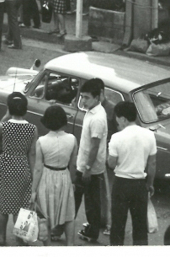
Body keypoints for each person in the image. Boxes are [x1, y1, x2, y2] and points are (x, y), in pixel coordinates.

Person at [0, 92, 38, 246]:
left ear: (9, 109)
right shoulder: (32, 128)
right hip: (23, 166)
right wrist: (32, 175)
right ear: (25, 109)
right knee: (22, 205)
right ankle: (20, 237)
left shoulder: (3, 126)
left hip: (5, 165)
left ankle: (2, 237)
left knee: (3, 205)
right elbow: (32, 153)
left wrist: (5, 116)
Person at [106, 100, 157, 246]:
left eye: (117, 119)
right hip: (140, 184)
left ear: (123, 119)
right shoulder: (149, 136)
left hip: (121, 184)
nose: (116, 122)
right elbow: (152, 164)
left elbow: (111, 163)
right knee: (140, 226)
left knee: (118, 225)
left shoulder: (116, 138)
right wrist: (150, 184)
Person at [30, 104, 78, 245]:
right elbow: (73, 164)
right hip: (64, 176)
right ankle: (70, 245)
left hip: (46, 177)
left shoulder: (42, 141)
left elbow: (38, 168)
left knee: (46, 214)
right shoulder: (72, 139)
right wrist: (73, 181)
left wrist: (33, 190)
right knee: (69, 214)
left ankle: (49, 248)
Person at [74, 78, 108, 243]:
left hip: (89, 167)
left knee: (88, 200)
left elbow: (94, 146)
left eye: (87, 97)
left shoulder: (97, 118)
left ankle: (90, 231)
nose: (83, 101)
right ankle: (90, 228)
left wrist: (87, 168)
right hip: (85, 164)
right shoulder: (92, 111)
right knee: (86, 198)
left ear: (97, 97)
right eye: (82, 97)